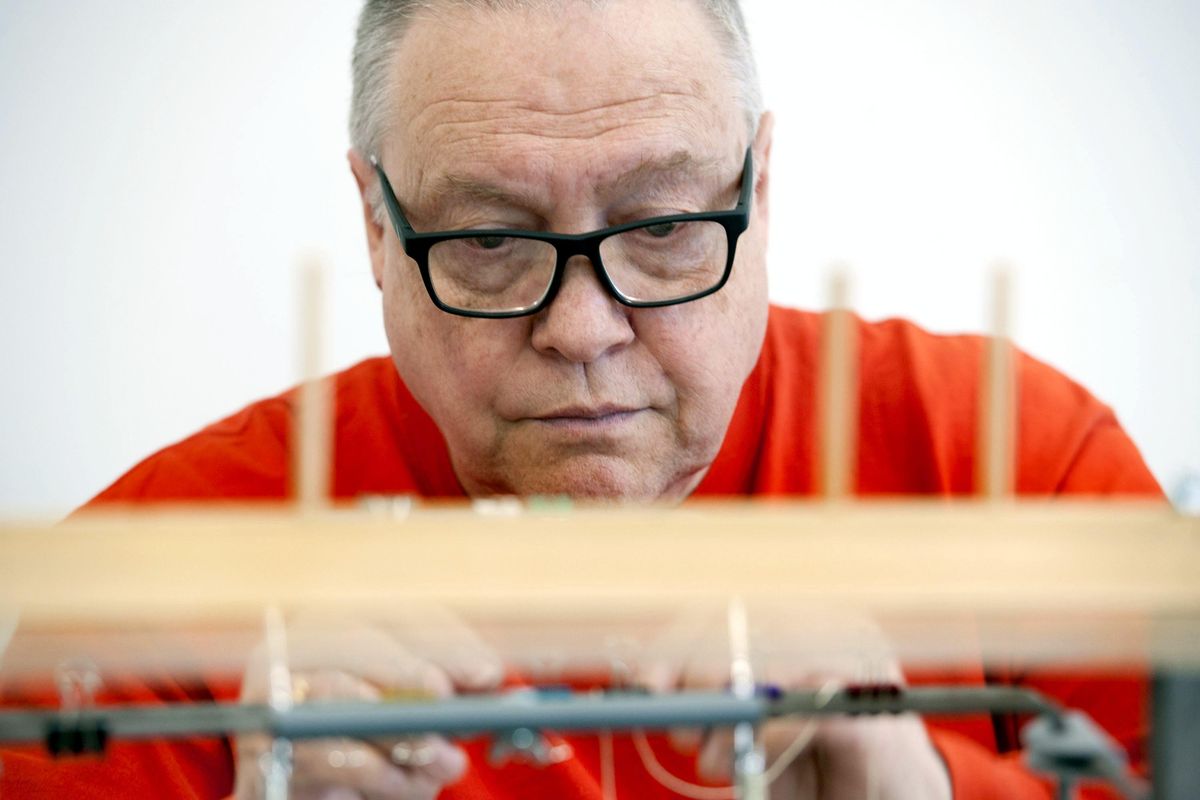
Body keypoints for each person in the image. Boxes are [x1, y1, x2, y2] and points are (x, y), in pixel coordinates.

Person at [0, 0, 1160, 798]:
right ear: (373, 224)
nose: (584, 328)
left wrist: (923, 780)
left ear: (763, 184)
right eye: (492, 239)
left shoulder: (1022, 469)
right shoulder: (141, 581)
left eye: (661, 227)